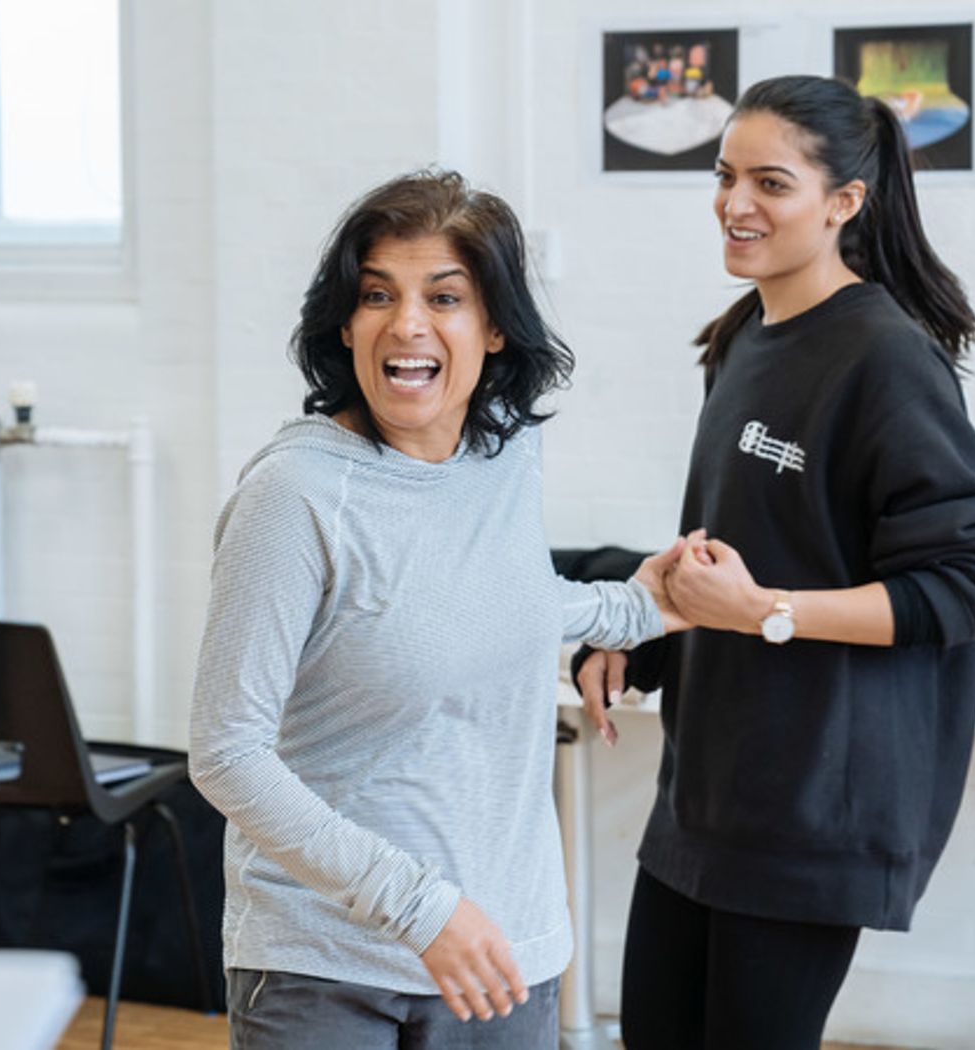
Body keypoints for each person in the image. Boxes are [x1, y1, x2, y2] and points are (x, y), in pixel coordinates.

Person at [190, 169, 701, 1050]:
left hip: (505, 952)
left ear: (495, 326)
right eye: (377, 295)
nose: (407, 324)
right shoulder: (294, 494)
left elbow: (484, 604)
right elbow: (226, 753)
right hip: (327, 966)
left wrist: (639, 608)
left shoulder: (504, 456)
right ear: (345, 322)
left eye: (444, 297)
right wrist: (421, 908)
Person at [576, 75, 975, 1049]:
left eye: (769, 183)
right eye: (723, 175)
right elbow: (746, 543)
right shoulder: (742, 337)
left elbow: (959, 585)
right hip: (704, 795)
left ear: (842, 202)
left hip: (812, 814)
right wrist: (641, 629)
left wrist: (763, 611)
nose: (734, 204)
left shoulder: (886, 359)